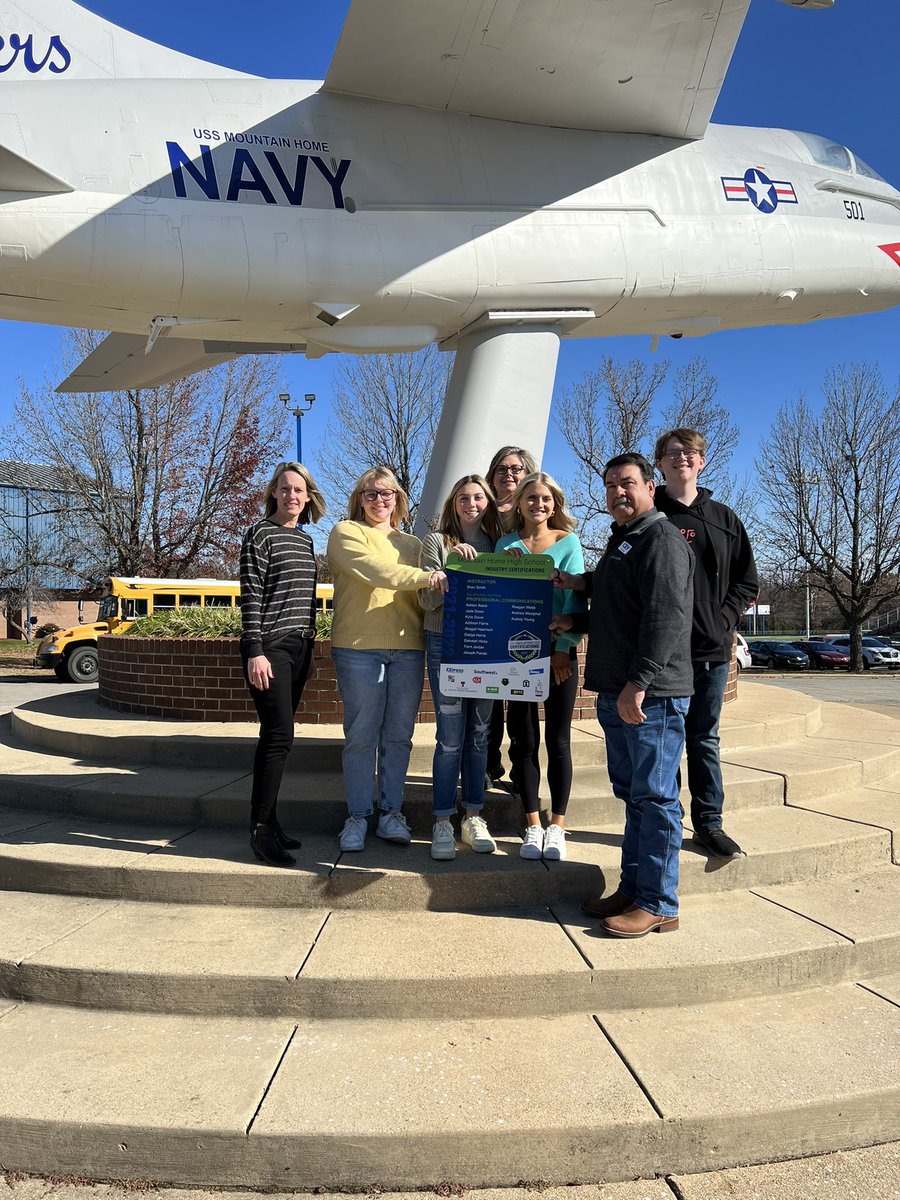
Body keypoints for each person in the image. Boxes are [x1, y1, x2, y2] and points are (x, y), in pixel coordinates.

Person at [553, 453, 694, 937]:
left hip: (649, 695)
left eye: (627, 483)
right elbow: (619, 606)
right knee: (634, 797)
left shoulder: (661, 539)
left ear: (651, 487)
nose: (618, 492)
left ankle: (659, 901)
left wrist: (639, 683)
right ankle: (634, 888)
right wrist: (576, 615)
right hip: (620, 691)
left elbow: (666, 619)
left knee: (656, 799)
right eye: (610, 484)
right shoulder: (624, 540)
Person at [327, 466, 447, 852]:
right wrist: (427, 578)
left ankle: (391, 813)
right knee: (361, 735)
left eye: (387, 493)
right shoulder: (346, 532)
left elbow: (429, 595)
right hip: (358, 647)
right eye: (371, 493)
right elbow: (378, 572)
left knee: (399, 737)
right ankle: (358, 816)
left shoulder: (414, 544)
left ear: (398, 499)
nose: (379, 500)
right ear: (359, 498)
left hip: (409, 647)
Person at [653, 427, 759, 860]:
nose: (681, 458)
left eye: (689, 452)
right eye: (671, 452)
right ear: (658, 463)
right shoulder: (646, 515)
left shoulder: (725, 519)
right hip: (660, 656)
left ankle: (709, 824)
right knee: (664, 742)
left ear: (701, 462)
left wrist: (723, 621)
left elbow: (747, 581)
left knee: (703, 739)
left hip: (711, 653)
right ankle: (664, 823)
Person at [240, 460, 326, 867]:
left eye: (299, 490)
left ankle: (271, 823)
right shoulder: (259, 535)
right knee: (279, 737)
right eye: (285, 488)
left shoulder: (307, 543)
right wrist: (254, 650)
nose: (292, 496)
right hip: (269, 650)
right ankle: (259, 832)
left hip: (300, 648)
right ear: (274, 492)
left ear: (308, 497)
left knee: (276, 738)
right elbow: (251, 596)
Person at [496, 472, 585, 861]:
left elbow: (576, 601)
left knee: (558, 741)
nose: (538, 505)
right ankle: (533, 824)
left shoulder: (568, 542)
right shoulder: (505, 544)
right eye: (531, 498)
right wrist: (502, 566)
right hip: (517, 655)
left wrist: (565, 648)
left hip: (558, 654)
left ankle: (557, 826)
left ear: (555, 503)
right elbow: (495, 599)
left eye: (545, 498)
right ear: (518, 503)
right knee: (524, 741)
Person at [419, 475, 504, 860]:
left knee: (480, 734)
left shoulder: (500, 544)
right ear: (453, 503)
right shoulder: (436, 543)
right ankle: (441, 821)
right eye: (464, 498)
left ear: (489, 502)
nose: (471, 503)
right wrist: (451, 567)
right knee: (450, 736)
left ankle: (473, 815)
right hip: (446, 644)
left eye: (478, 497)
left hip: (487, 645)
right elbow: (425, 602)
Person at [484, 446, 538, 787]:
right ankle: (489, 765)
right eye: (502, 469)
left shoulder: (536, 511)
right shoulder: (481, 511)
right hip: (488, 617)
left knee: (521, 704)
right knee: (487, 703)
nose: (509, 475)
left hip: (524, 618)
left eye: (516, 469)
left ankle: (522, 771)